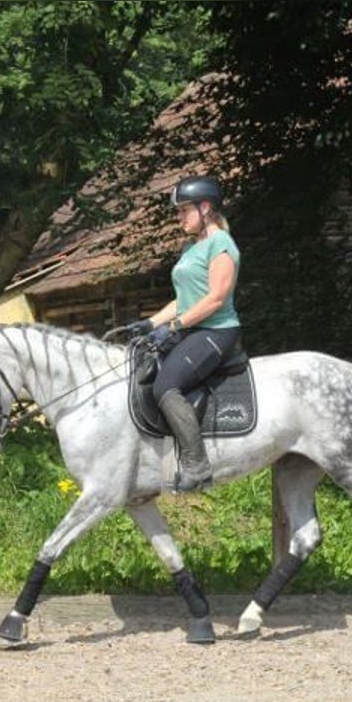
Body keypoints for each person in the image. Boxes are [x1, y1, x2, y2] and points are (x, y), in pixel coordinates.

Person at [129, 175, 242, 492]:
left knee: (167, 385)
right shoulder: (193, 248)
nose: (179, 218)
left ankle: (197, 468)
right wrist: (150, 324)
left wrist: (175, 326)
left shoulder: (222, 246)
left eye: (183, 211)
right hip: (192, 328)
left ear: (205, 208)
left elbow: (215, 299)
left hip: (216, 331)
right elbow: (184, 300)